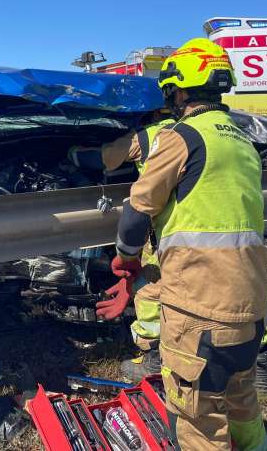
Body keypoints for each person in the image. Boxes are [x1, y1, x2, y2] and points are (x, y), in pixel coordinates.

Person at [110, 38, 267, 450]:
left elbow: (135, 213)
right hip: (250, 307)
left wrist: (127, 259)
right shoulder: (241, 140)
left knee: (198, 420)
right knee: (242, 403)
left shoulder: (182, 137)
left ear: (178, 90)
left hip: (200, 311)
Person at [68, 111, 173, 380]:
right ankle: (260, 358)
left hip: (166, 224)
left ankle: (153, 357)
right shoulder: (208, 134)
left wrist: (69, 154)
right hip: (217, 228)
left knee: (151, 284)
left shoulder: (152, 135)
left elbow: (99, 158)